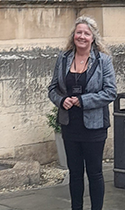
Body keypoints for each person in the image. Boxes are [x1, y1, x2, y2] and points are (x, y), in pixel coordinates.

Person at [48, 16, 117, 210]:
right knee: (75, 173)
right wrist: (62, 101)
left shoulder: (103, 61)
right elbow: (52, 89)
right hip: (70, 124)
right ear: (73, 35)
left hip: (94, 126)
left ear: (93, 37)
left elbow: (110, 92)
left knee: (94, 173)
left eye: (86, 33)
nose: (82, 36)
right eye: (79, 32)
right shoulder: (63, 59)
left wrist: (82, 100)